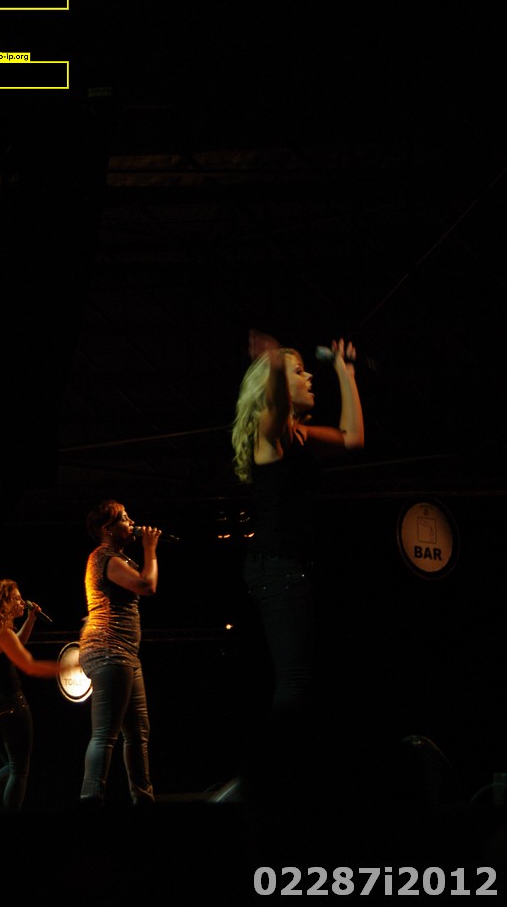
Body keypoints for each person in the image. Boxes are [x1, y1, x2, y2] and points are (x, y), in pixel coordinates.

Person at [230, 328, 365, 814]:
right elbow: (272, 409)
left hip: (291, 568)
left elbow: (353, 439)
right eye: (299, 372)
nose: (309, 378)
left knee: (303, 680)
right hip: (278, 567)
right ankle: (270, 783)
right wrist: (272, 365)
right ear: (276, 387)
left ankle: (283, 777)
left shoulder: (301, 436)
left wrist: (345, 373)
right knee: (294, 680)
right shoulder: (271, 437)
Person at [78, 500, 161, 807]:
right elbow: (147, 585)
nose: (132, 523)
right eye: (125, 519)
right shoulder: (105, 557)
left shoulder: (116, 558)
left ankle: (143, 799)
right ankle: (90, 799)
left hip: (125, 653)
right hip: (109, 652)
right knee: (105, 733)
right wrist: (150, 548)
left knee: (138, 732)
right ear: (107, 529)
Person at [0, 578, 65, 814]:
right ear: (5, 602)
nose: (23, 602)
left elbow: (16, 645)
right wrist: (68, 667)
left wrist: (31, 619)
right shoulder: (3, 632)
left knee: (12, 765)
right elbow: (30, 666)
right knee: (20, 769)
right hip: (9, 703)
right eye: (18, 599)